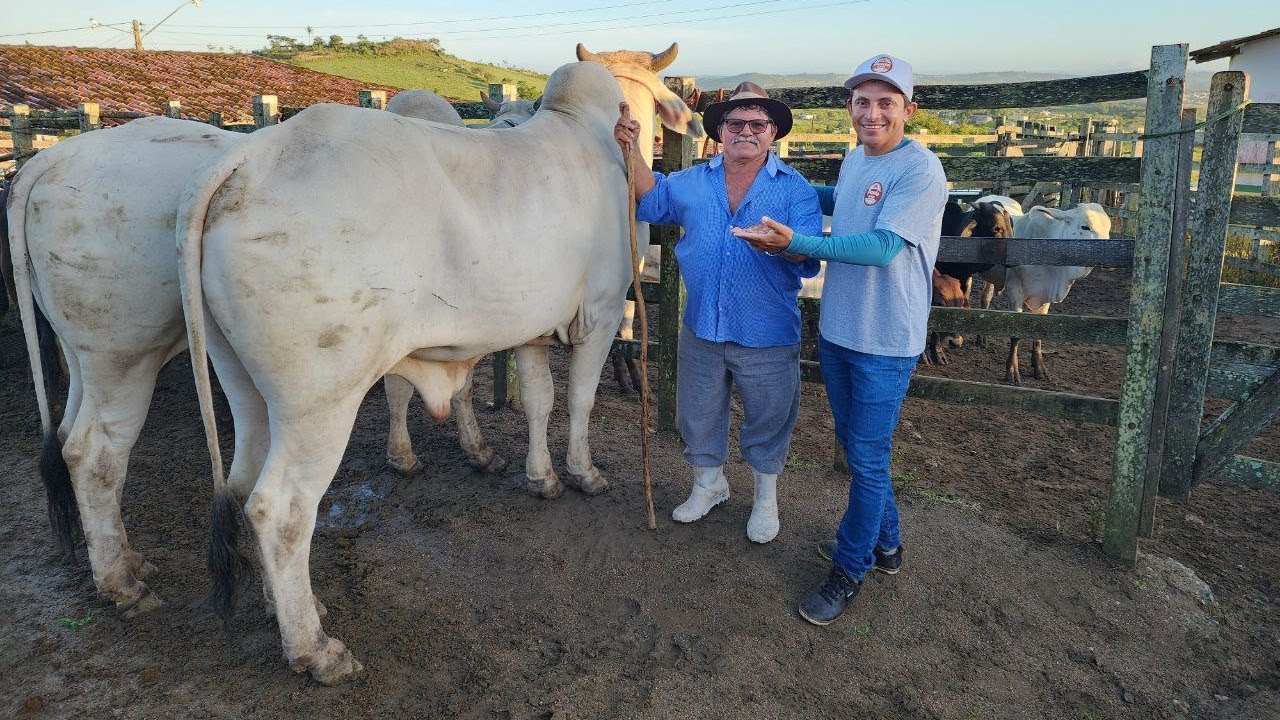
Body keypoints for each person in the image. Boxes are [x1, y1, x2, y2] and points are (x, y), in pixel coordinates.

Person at [732, 54, 947, 624]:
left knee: (868, 459)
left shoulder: (920, 171)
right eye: (862, 101)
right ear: (850, 108)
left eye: (885, 102)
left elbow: (880, 249)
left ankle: (849, 570)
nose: (871, 112)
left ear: (908, 109)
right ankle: (888, 546)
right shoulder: (858, 160)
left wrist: (796, 242)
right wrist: (768, 173)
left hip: (886, 337)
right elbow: (840, 199)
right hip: (840, 330)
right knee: (859, 449)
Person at [614, 82, 822, 544]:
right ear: (720, 131)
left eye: (758, 123)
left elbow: (808, 256)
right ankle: (709, 485)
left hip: (766, 329)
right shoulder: (693, 182)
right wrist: (630, 148)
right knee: (698, 412)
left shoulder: (796, 191)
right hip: (703, 325)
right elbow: (653, 199)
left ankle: (765, 498)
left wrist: (784, 245)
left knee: (769, 415)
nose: (746, 130)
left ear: (772, 134)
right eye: (735, 122)